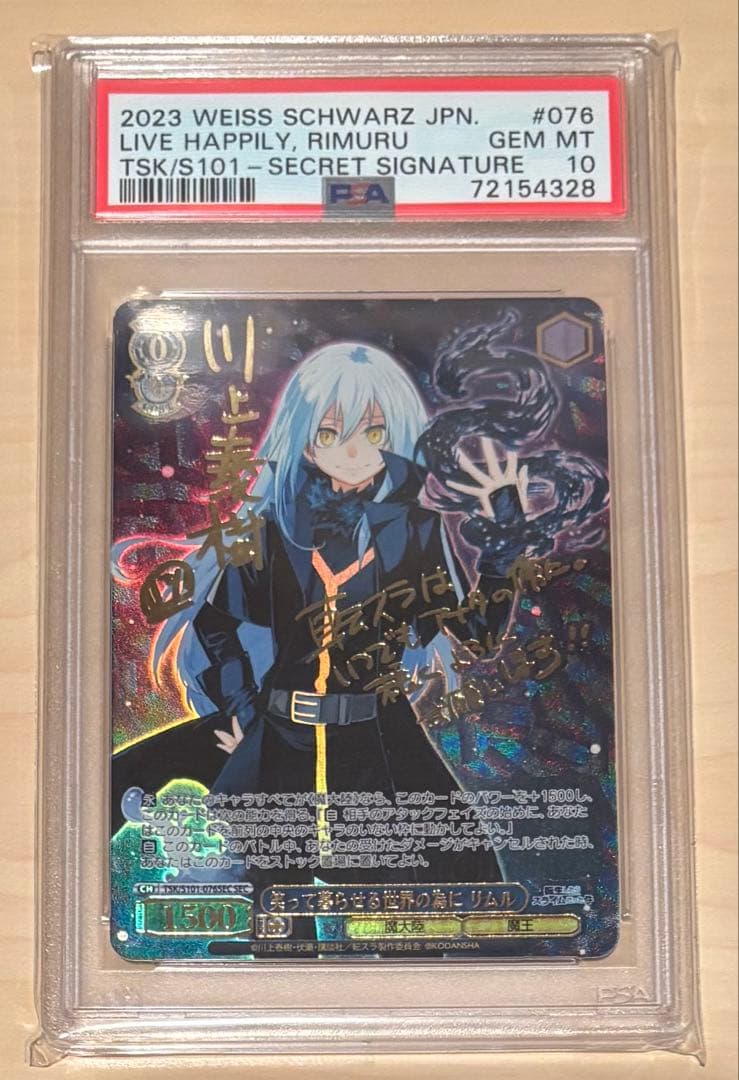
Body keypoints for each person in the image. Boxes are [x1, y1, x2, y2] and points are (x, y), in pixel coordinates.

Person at [177, 341, 530, 887]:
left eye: (373, 432)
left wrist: (505, 544)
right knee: (276, 906)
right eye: (329, 433)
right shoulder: (274, 531)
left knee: (460, 878)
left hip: (379, 739)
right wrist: (244, 710)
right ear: (305, 439)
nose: (353, 451)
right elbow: (213, 625)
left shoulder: (414, 530)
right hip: (282, 743)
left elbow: (478, 633)